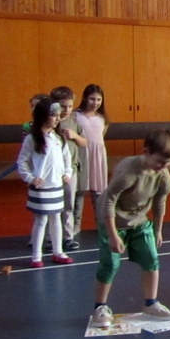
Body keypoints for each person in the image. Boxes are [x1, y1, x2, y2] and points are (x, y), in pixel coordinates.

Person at [90, 130, 170, 328]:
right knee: (110, 264)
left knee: (151, 258)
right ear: (146, 152)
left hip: (139, 220)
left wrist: (157, 230)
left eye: (168, 163)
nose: (163, 167)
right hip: (114, 220)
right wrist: (112, 235)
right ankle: (100, 307)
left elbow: (160, 202)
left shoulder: (162, 175)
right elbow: (108, 202)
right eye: (160, 162)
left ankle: (151, 303)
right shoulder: (128, 173)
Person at [17, 98, 73, 268]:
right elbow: (22, 160)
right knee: (41, 220)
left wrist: (67, 173)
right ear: (43, 116)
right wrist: (30, 178)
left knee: (56, 218)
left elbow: (67, 158)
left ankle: (58, 252)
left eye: (58, 115)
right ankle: (36, 255)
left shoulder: (58, 138)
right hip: (41, 187)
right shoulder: (32, 138)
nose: (57, 119)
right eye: (53, 115)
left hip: (56, 186)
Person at [51, 86, 87, 252]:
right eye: (63, 106)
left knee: (68, 205)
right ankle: (51, 238)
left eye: (70, 106)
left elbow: (84, 142)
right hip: (52, 171)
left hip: (70, 169)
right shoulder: (51, 122)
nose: (67, 110)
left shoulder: (74, 122)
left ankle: (68, 237)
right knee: (52, 206)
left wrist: (75, 136)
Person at [75, 84, 109, 230]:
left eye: (98, 100)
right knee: (79, 192)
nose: (95, 103)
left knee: (98, 192)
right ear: (85, 98)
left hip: (98, 157)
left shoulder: (102, 118)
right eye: (92, 99)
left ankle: (101, 225)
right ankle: (75, 226)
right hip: (82, 156)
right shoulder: (76, 116)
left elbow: (100, 137)